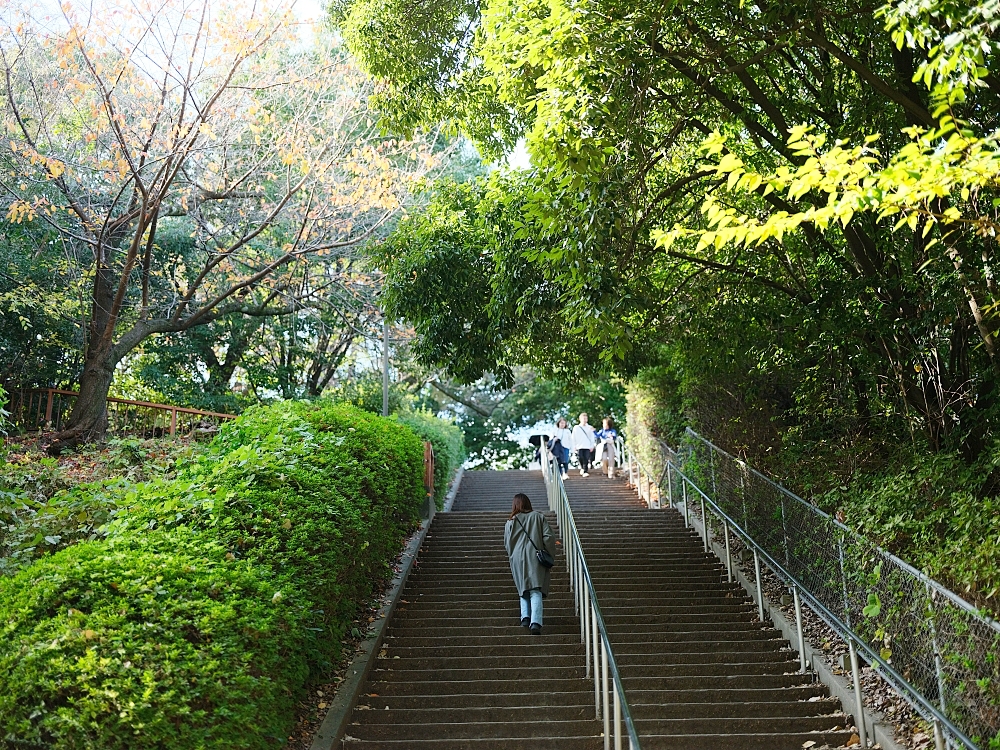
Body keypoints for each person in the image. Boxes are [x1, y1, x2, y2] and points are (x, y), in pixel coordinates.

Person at [504, 493, 556, 635]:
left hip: (517, 559)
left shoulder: (510, 522)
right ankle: (536, 622)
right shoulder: (538, 517)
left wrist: (514, 555)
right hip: (534, 557)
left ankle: (525, 618)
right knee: (535, 589)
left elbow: (507, 545)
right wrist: (549, 552)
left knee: (523, 589)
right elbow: (548, 537)